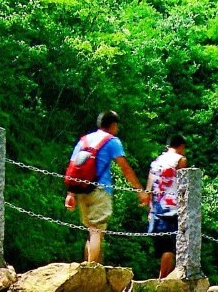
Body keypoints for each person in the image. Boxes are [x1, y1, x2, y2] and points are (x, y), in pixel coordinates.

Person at [64, 111, 149, 264]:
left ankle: (87, 267)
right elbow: (125, 168)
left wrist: (71, 194)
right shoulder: (112, 141)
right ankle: (91, 271)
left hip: (81, 189)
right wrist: (140, 191)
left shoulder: (84, 140)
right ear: (113, 125)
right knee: (97, 230)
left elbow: (74, 166)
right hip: (100, 190)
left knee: (91, 231)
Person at [146, 134, 187, 278]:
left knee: (162, 247)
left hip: (157, 207)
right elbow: (183, 186)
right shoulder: (180, 160)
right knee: (170, 247)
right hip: (172, 209)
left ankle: (162, 278)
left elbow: (149, 186)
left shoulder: (156, 161)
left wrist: (149, 207)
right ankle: (162, 280)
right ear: (181, 146)